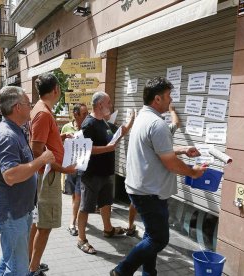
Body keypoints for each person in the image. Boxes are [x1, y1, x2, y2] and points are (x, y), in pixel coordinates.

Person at [110, 77, 207, 276]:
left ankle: (149, 272)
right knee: (159, 239)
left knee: (150, 234)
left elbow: (158, 150)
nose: (171, 100)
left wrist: (182, 149)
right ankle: (121, 271)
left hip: (140, 189)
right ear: (157, 99)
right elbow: (169, 162)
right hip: (149, 193)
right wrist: (192, 172)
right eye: (168, 96)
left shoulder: (143, 119)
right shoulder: (157, 124)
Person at [0, 86, 55, 276]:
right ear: (17, 107)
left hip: (18, 211)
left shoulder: (16, 130)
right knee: (18, 269)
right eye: (28, 104)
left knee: (9, 259)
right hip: (11, 214)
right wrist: (41, 160)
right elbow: (11, 176)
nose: (31, 107)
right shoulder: (7, 136)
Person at [28, 73, 76, 276]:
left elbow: (42, 140)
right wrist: (63, 169)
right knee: (45, 225)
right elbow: (36, 149)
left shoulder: (42, 110)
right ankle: (32, 268)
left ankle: (30, 261)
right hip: (47, 176)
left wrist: (60, 136)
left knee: (39, 222)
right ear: (56, 89)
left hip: (46, 174)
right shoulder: (43, 113)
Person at [77, 91, 132, 255]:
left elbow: (118, 135)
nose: (111, 105)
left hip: (106, 173)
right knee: (85, 207)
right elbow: (85, 149)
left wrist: (130, 122)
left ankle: (108, 229)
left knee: (106, 203)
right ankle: (81, 239)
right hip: (91, 174)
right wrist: (107, 148)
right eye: (108, 102)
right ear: (100, 104)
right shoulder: (88, 124)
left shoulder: (106, 123)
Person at [125, 103, 180, 237]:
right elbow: (176, 123)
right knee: (155, 236)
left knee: (136, 203)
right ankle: (136, 243)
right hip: (149, 186)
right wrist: (172, 111)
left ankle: (130, 226)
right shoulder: (161, 129)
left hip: (137, 179)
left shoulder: (140, 126)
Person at [60, 103, 89, 236]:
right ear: (75, 114)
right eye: (84, 114)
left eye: (87, 113)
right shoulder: (67, 127)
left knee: (78, 195)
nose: (86, 116)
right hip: (70, 167)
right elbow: (59, 144)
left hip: (82, 168)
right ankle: (75, 215)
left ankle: (72, 222)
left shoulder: (88, 127)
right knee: (74, 195)